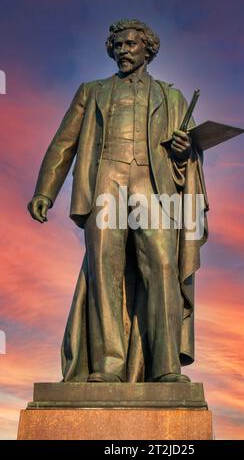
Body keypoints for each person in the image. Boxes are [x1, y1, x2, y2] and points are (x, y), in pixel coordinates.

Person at [28, 19, 209, 383]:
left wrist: (183, 149)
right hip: (105, 183)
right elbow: (63, 144)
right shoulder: (92, 91)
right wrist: (45, 191)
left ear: (148, 49)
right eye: (118, 46)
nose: (123, 51)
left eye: (130, 45)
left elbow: (187, 157)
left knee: (161, 267)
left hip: (153, 188)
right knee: (104, 271)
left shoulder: (170, 97)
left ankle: (165, 367)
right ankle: (108, 364)